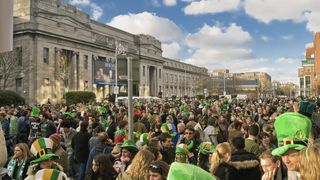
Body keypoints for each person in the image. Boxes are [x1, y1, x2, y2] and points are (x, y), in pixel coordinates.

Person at [271, 112, 312, 180]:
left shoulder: (315, 174)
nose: (286, 161)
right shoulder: (292, 171)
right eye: (283, 155)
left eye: (291, 155)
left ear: (304, 153)